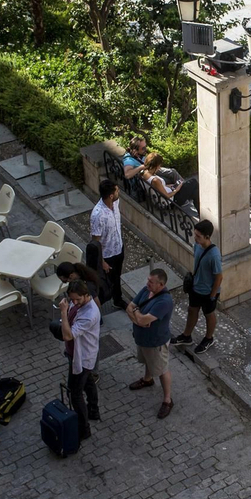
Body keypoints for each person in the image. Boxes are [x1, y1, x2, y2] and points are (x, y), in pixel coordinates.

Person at [126, 268, 175, 419]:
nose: (147, 283)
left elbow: (140, 318)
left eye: (151, 282)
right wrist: (138, 317)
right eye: (148, 280)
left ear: (161, 284)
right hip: (143, 339)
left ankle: (167, 400)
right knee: (148, 360)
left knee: (162, 369)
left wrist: (137, 315)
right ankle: (147, 380)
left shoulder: (164, 301)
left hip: (156, 342)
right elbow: (129, 307)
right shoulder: (146, 290)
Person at [59, 279, 101, 438]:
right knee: (88, 382)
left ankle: (84, 429)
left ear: (86, 295)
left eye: (78, 299)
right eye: (72, 299)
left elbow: (68, 335)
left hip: (82, 358)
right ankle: (93, 410)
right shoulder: (78, 305)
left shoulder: (89, 314)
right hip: (76, 353)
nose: (74, 302)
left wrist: (63, 312)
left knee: (75, 394)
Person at [173, 219, 222, 354]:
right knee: (192, 310)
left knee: (209, 314)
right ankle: (186, 336)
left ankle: (209, 338)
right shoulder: (197, 246)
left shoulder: (214, 255)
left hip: (208, 292)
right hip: (196, 287)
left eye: (198, 236)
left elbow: (219, 277)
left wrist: (212, 295)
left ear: (207, 236)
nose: (195, 238)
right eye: (195, 234)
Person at [90, 179, 127, 309]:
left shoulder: (115, 203)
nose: (119, 192)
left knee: (117, 278)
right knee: (105, 283)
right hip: (107, 256)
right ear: (111, 195)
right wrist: (102, 261)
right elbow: (95, 242)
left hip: (118, 249)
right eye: (117, 190)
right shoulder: (98, 215)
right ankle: (95, 306)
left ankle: (118, 299)